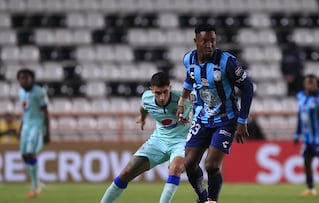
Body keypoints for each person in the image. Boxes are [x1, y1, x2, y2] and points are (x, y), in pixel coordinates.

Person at [176, 23, 254, 203]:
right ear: (196, 41)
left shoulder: (227, 61)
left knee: (211, 165)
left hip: (225, 120)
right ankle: (203, 198)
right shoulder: (188, 59)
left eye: (212, 41)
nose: (209, 45)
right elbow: (190, 78)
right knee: (188, 164)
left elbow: (247, 86)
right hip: (201, 118)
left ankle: (212, 200)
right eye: (205, 41)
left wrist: (242, 121)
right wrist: (182, 102)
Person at [100, 72, 192, 203]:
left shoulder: (182, 99)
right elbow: (144, 108)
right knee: (127, 172)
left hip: (181, 141)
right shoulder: (147, 98)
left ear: (170, 88)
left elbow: (200, 109)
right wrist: (142, 118)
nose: (162, 97)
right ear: (152, 90)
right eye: (158, 93)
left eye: (165, 92)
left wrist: (190, 119)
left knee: (175, 169)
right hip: (159, 141)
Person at [17, 68, 50, 198]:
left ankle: (36, 185)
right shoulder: (21, 93)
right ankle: (36, 183)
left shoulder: (39, 92)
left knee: (31, 152)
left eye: (26, 77)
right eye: (21, 78)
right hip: (26, 126)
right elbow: (25, 112)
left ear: (32, 79)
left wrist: (47, 132)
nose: (24, 80)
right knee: (24, 155)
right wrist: (20, 128)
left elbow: (46, 112)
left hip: (37, 126)